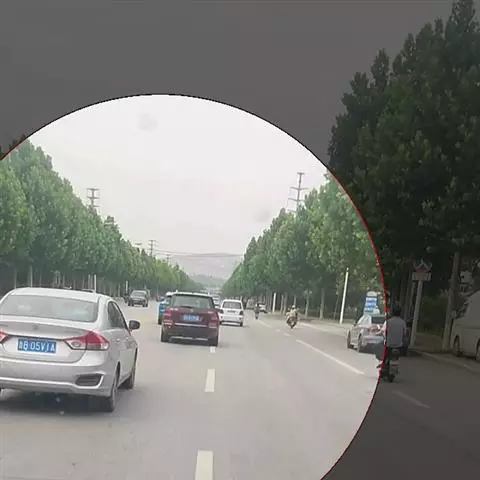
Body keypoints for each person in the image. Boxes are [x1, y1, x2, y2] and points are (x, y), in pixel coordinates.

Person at [377, 302, 407, 369]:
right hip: (399, 345)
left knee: (382, 351)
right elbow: (404, 334)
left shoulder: (389, 322)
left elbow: (384, 331)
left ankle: (383, 364)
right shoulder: (402, 322)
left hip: (389, 345)